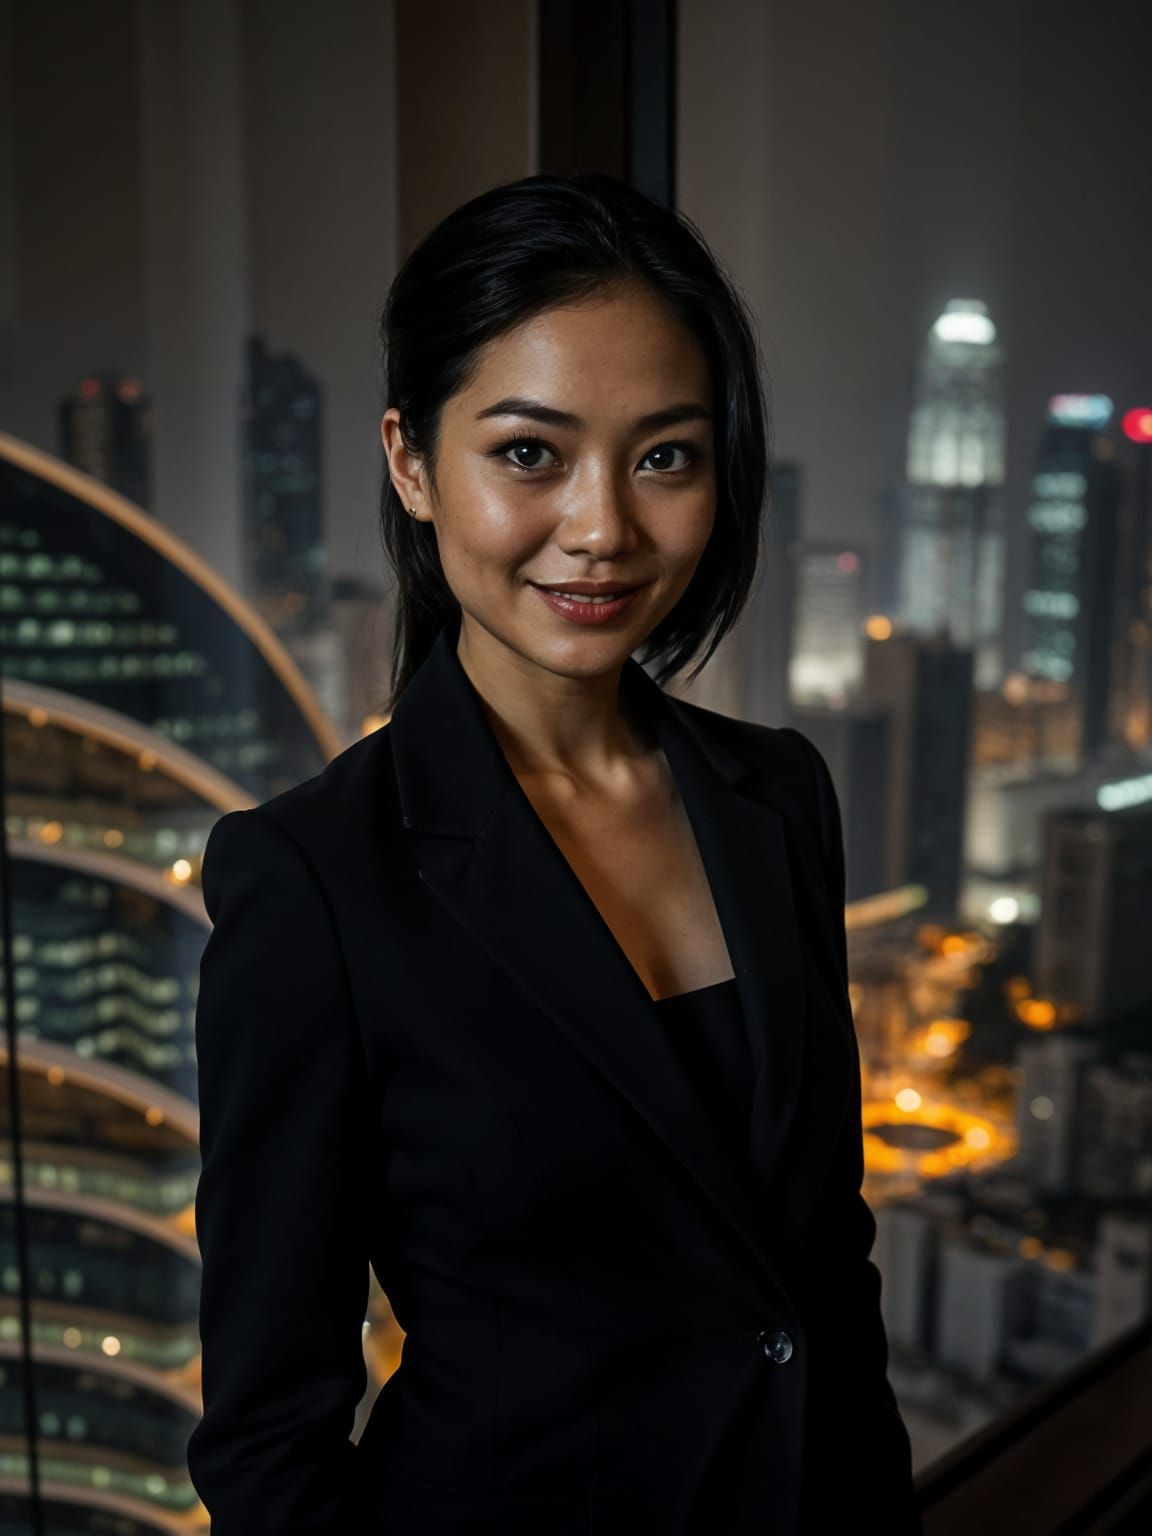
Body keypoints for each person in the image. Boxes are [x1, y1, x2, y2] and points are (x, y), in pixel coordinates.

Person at [185, 171, 921, 1535]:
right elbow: (268, 1440)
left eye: (665, 457)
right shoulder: (316, 884)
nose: (603, 529)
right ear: (412, 462)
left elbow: (825, 1266)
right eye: (530, 453)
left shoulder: (778, 797)